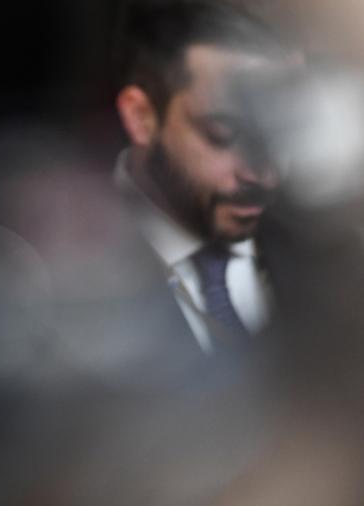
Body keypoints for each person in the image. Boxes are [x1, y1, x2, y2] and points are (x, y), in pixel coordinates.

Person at [112, 0, 301, 355]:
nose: (266, 177)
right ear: (141, 117)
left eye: (278, 134)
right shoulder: (62, 272)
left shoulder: (325, 255)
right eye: (223, 134)